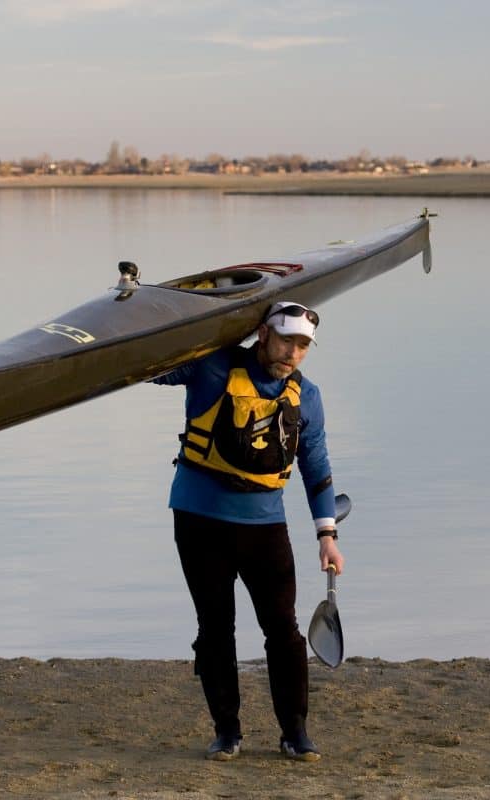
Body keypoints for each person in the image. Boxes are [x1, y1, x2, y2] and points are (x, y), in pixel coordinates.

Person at [152, 300, 344, 762]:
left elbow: (315, 465)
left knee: (284, 628)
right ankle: (227, 731)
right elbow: (152, 370)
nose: (293, 354)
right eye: (286, 342)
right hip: (199, 520)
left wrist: (327, 535)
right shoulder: (213, 368)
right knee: (215, 626)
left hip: (264, 525)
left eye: (303, 346)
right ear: (262, 334)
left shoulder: (307, 396)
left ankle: (295, 732)